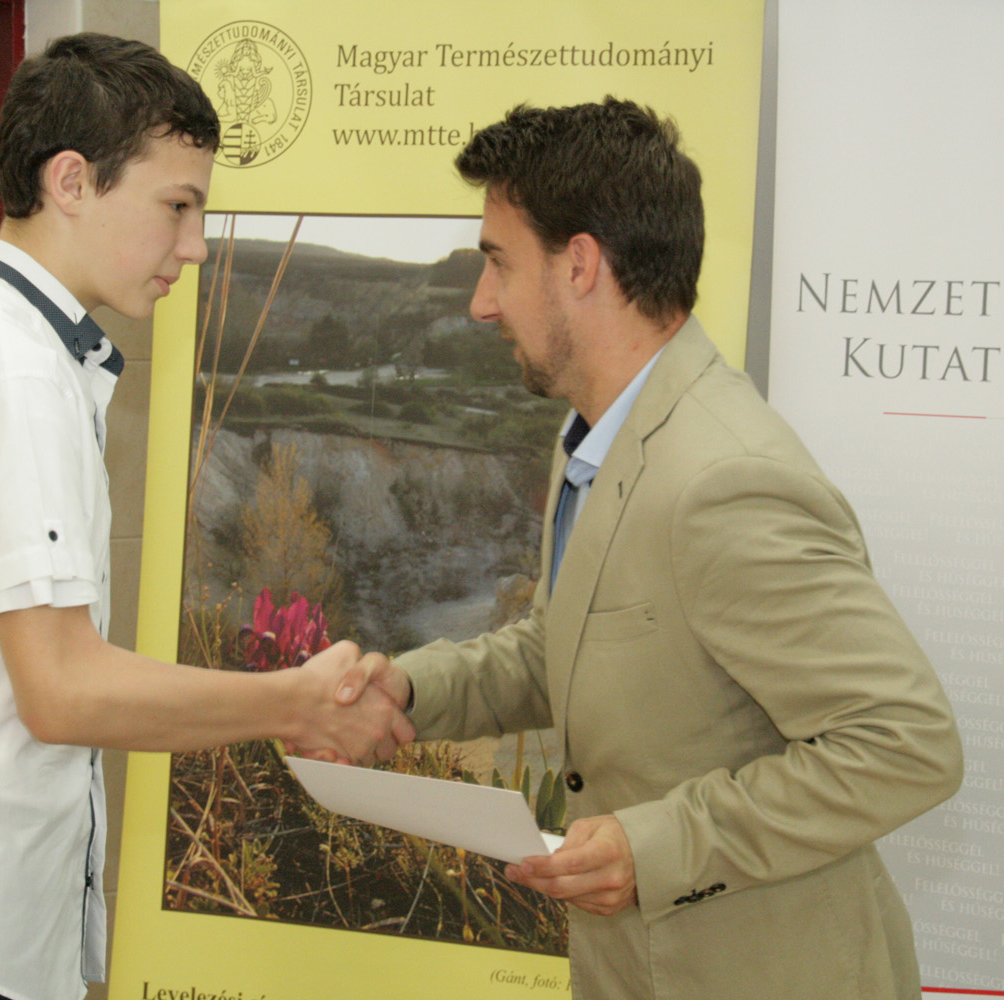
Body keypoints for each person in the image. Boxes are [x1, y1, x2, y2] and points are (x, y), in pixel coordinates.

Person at [0, 34, 410, 1000]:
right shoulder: (10, 370)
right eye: (177, 207)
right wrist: (296, 703)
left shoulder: (1, 347)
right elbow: (61, 690)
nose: (195, 246)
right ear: (70, 181)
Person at [340, 99, 963, 999]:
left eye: (498, 262)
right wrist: (408, 691)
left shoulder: (723, 481)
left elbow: (906, 742)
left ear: (580, 264)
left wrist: (658, 847)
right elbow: (569, 646)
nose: (481, 302)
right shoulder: (595, 437)